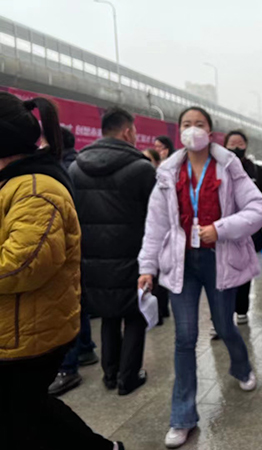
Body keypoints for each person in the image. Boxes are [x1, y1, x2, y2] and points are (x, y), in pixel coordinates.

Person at [0, 92, 124, 450]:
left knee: (23, 413)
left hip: (30, 332)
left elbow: (23, 263)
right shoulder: (15, 181)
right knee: (26, 411)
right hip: (17, 326)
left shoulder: (36, 188)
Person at [138, 106, 262, 449]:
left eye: (199, 124)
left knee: (224, 325)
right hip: (182, 262)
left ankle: (241, 366)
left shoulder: (229, 166)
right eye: (186, 124)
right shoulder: (168, 172)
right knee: (185, 337)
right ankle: (182, 417)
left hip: (218, 259)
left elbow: (257, 209)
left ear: (210, 132)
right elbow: (156, 224)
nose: (192, 129)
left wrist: (221, 229)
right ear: (178, 130)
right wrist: (147, 267)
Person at [69, 106, 156, 396]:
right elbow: (155, 218)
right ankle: (128, 377)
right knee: (135, 314)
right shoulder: (142, 169)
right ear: (127, 132)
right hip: (133, 255)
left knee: (108, 314)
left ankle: (109, 374)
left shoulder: (76, 168)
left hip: (92, 258)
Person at [49, 127, 100, 397]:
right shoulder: (77, 166)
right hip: (83, 242)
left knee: (67, 303)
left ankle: (68, 368)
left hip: (69, 243)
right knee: (77, 299)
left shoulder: (59, 171)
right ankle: (85, 348)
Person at [224, 130, 262, 325]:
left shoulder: (256, 171)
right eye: (232, 143)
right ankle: (220, 315)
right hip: (222, 231)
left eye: (240, 143)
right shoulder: (216, 169)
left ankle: (241, 309)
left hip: (249, 230)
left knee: (244, 270)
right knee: (221, 272)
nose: (236, 147)